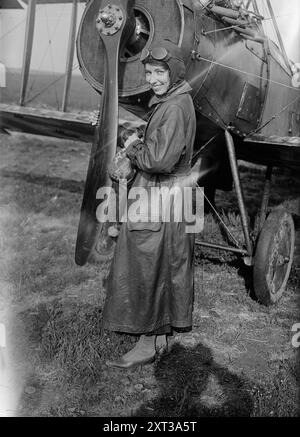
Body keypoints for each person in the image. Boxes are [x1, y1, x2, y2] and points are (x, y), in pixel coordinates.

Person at [102, 39, 197, 369]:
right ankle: (160, 338)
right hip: (173, 194)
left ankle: (146, 341)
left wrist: (131, 150)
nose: (153, 79)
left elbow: (157, 159)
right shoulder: (176, 99)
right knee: (166, 265)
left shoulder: (172, 107)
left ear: (174, 72)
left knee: (146, 264)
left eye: (160, 72)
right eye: (149, 72)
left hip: (160, 194)